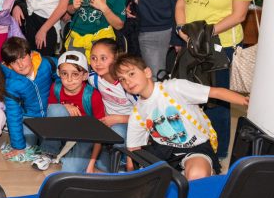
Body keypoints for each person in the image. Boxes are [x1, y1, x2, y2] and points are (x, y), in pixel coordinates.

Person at [175, 0, 253, 159]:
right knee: (187, 96)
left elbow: (239, 15)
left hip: (222, 46)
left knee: (216, 101)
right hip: (191, 42)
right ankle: (190, 148)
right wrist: (182, 30)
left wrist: (204, 36)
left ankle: (217, 156)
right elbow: (180, 5)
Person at [114, 54, 249, 180]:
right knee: (147, 180)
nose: (128, 82)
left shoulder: (174, 87)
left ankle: (202, 172)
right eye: (122, 79)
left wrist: (246, 101)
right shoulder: (137, 113)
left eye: (131, 74)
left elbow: (216, 92)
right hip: (164, 152)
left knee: (197, 174)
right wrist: (132, 179)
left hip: (195, 147)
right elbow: (133, 151)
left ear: (147, 72)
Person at [31, 51, 106, 172]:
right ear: (58, 74)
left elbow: (99, 131)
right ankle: (49, 152)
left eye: (75, 74)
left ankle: (73, 155)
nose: (69, 79)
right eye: (64, 74)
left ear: (85, 76)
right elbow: (51, 114)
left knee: (69, 170)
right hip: (65, 132)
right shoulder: (56, 87)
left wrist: (91, 162)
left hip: (85, 136)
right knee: (55, 109)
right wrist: (64, 105)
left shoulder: (92, 96)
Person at [0, 37, 53, 162]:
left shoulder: (45, 64)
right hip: (29, 119)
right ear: (8, 65)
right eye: (14, 62)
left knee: (59, 110)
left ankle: (49, 151)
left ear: (30, 54)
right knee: (27, 150)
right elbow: (13, 115)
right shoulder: (11, 84)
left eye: (23, 57)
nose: (21, 65)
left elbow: (64, 72)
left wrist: (64, 100)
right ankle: (37, 143)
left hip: (50, 114)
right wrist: (18, 147)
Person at [86, 39, 136, 173]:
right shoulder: (94, 78)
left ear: (115, 58)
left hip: (131, 123)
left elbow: (146, 116)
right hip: (108, 123)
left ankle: (124, 164)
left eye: (103, 58)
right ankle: (113, 161)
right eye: (94, 58)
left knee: (118, 131)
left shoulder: (126, 83)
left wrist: (118, 119)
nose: (97, 63)